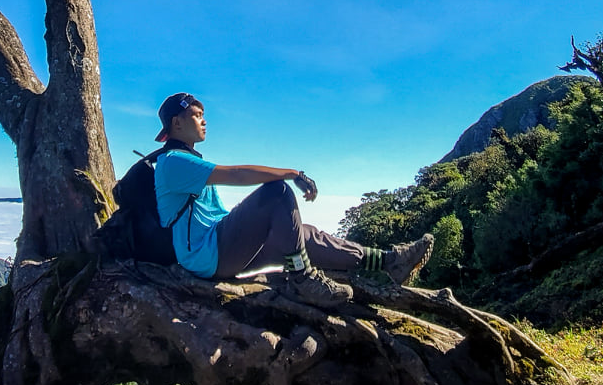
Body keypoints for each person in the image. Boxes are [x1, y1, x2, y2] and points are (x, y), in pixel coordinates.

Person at [150, 92, 434, 307]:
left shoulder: (185, 160)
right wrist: (290, 174)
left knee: (304, 234)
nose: (204, 120)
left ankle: (389, 262)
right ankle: (303, 279)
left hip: (219, 249)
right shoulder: (174, 162)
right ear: (177, 122)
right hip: (207, 256)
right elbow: (236, 174)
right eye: (197, 115)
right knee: (278, 192)